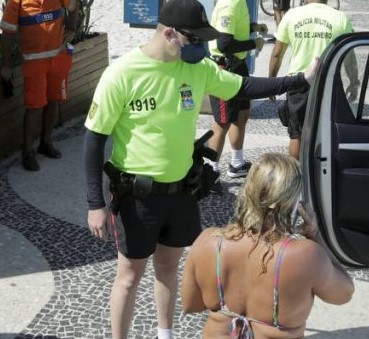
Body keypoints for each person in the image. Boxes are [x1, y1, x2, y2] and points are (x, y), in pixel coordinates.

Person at [83, 0, 318, 338]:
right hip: (137, 197)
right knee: (129, 276)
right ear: (168, 33)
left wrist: (300, 79)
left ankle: (165, 334)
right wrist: (95, 203)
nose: (201, 47)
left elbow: (244, 86)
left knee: (168, 267)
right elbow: (93, 140)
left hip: (181, 192)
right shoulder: (122, 73)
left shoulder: (197, 68)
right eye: (194, 40)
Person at [181, 153, 354, 338]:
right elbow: (344, 293)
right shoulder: (305, 255)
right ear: (294, 202)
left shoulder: (208, 241)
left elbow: (191, 304)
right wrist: (315, 236)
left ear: (248, 190)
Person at [269, 0, 359, 158]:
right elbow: (349, 55)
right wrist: (353, 81)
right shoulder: (340, 18)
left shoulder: (291, 15)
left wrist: (272, 82)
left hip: (297, 82)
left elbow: (277, 53)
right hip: (328, 82)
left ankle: (296, 177)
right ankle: (322, 174)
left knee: (297, 135)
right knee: (327, 131)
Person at [0, 0, 77, 171]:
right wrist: (6, 65)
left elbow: (73, 6)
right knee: (34, 106)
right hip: (34, 64)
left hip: (58, 58)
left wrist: (72, 29)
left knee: (54, 101)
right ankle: (28, 152)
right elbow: (6, 32)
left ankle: (46, 142)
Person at [208, 0, 267, 178]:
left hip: (238, 66)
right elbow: (224, 43)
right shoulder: (230, 4)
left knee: (242, 115)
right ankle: (211, 170)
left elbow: (231, 28)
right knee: (222, 121)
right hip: (225, 69)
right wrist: (254, 44)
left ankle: (237, 163)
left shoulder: (239, 3)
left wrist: (252, 27)